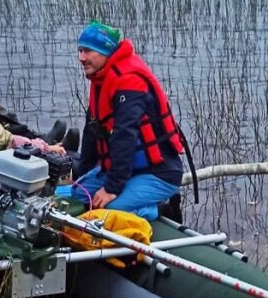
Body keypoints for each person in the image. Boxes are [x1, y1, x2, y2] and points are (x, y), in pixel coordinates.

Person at [72, 20, 184, 220]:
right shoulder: (100, 78)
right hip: (130, 170)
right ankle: (134, 198)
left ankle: (158, 209)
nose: (81, 57)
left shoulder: (130, 82)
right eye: (80, 50)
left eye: (88, 51)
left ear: (105, 51)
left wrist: (111, 188)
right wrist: (80, 175)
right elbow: (92, 133)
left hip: (158, 173)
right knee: (77, 195)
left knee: (101, 213)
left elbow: (125, 136)